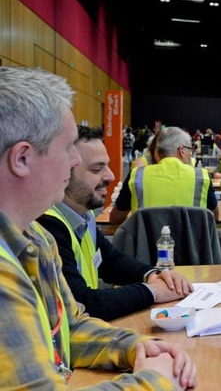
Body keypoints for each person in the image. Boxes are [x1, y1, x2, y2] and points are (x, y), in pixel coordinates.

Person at [0, 66, 197, 388]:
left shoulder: (35, 236)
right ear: (21, 159)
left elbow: (69, 325)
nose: (74, 162)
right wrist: (155, 381)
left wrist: (134, 347)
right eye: (67, 148)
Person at [37, 126, 193, 321]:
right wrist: (152, 291)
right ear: (63, 173)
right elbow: (84, 303)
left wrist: (152, 274)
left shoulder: (82, 216)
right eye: (97, 168)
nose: (110, 175)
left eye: (107, 165)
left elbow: (110, 261)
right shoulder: (47, 227)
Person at [110, 126, 218, 224]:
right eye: (190, 150)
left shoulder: (137, 176)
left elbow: (115, 218)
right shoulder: (201, 177)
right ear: (181, 150)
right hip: (191, 245)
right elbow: (214, 217)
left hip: (146, 245)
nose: (191, 155)